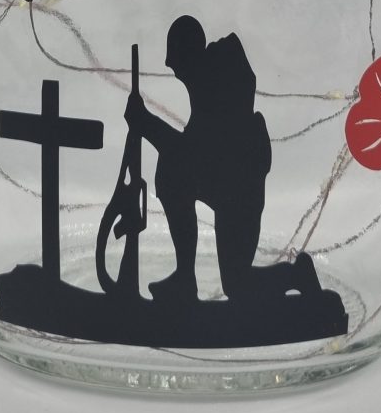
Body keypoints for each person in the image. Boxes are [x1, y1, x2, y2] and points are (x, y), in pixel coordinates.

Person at [125, 15, 321, 305]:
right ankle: (184, 277)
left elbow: (195, 153)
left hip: (238, 189)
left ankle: (296, 276)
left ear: (188, 55)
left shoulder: (219, 91)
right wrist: (146, 123)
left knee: (237, 283)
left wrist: (145, 122)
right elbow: (190, 155)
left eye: (174, 59)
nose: (171, 68)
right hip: (222, 182)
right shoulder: (207, 88)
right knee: (172, 174)